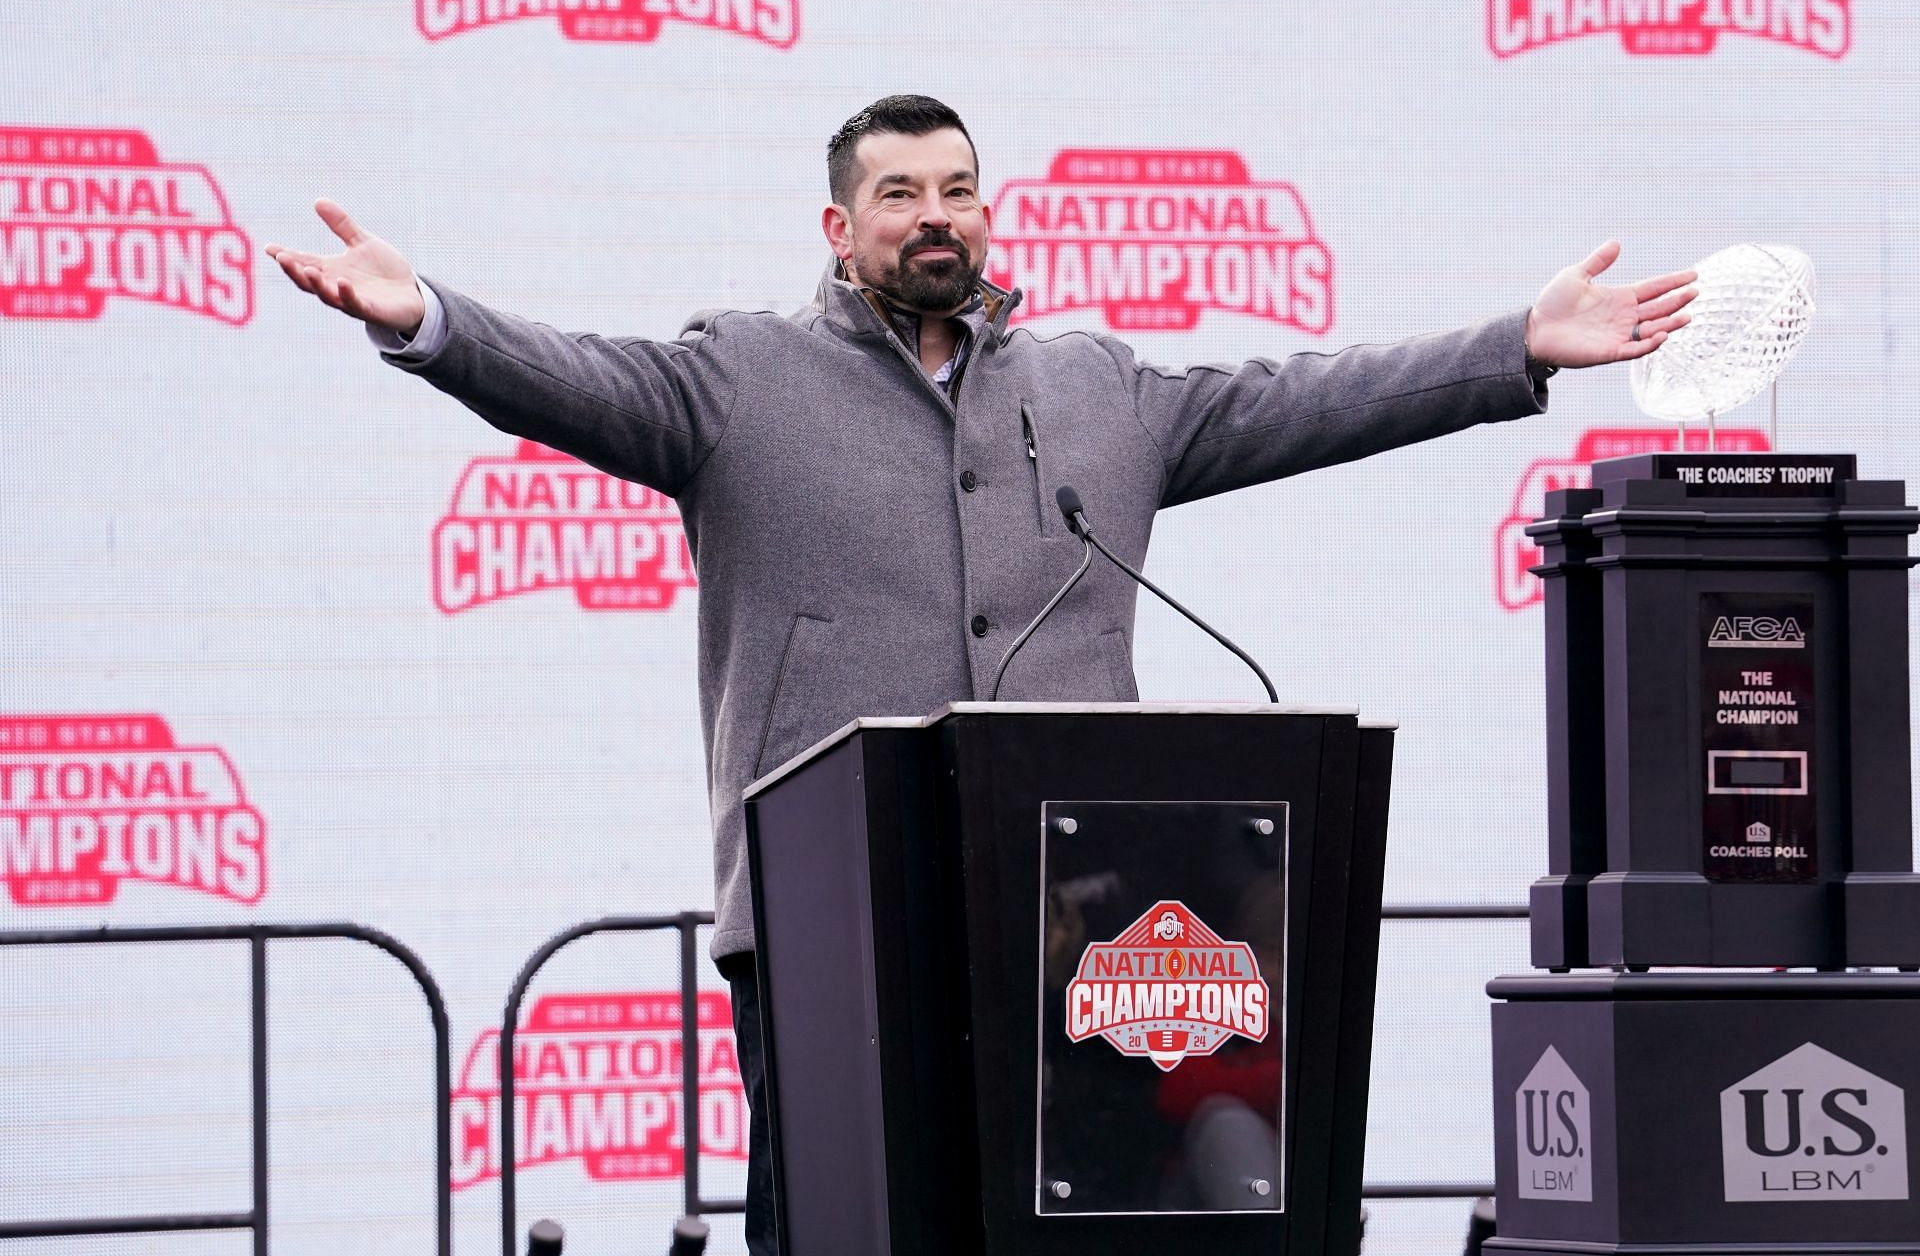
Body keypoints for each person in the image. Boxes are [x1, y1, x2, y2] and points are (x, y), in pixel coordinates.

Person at [266, 94, 1695, 1254]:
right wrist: (427, 320)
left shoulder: (1096, 393)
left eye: (957, 188)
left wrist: (1514, 348)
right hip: (839, 931)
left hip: (1096, 944)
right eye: (899, 193)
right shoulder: (741, 380)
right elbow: (571, 377)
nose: (934, 215)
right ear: (839, 225)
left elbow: (1306, 399)